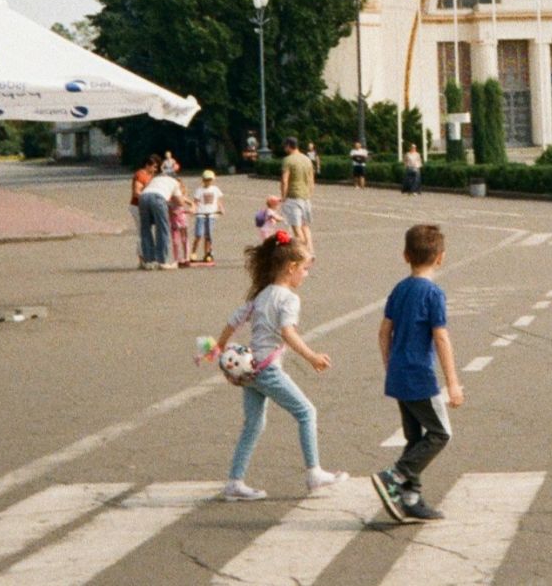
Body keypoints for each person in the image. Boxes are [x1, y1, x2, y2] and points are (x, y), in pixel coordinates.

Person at [212, 230, 346, 501]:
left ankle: (235, 482)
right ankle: (314, 473)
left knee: (254, 424)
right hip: (267, 370)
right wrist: (312, 357)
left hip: (251, 369)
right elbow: (288, 332)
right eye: (305, 269)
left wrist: (220, 352)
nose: (306, 275)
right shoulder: (288, 299)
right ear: (291, 268)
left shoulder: (261, 295)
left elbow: (234, 320)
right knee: (306, 412)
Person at [372, 224, 464, 522]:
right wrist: (453, 384)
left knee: (414, 438)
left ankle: (411, 498)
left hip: (399, 374)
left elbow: (384, 332)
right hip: (421, 376)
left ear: (405, 255)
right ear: (441, 258)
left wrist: (390, 365)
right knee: (440, 433)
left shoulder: (399, 289)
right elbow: (441, 338)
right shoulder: (433, 293)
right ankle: (395, 476)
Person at [279, 137, 317, 253]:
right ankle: (310, 250)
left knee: (296, 227)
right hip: (306, 197)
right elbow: (311, 179)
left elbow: (285, 180)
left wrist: (284, 196)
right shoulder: (307, 159)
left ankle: (302, 253)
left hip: (293, 196)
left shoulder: (288, 160)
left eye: (285, 146)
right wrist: (310, 192)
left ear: (289, 146)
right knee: (305, 226)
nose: (285, 149)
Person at [138, 167, 179, 270]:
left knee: (145, 229)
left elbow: (147, 190)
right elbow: (179, 201)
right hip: (158, 198)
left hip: (143, 197)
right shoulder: (174, 182)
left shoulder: (155, 179)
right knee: (162, 229)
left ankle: (149, 260)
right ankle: (162, 261)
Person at [130, 155, 161, 269]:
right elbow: (136, 192)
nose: (155, 169)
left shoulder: (150, 175)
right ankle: (143, 259)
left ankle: (148, 257)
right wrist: (148, 198)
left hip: (147, 206)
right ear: (147, 165)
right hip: (137, 206)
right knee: (142, 232)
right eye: (154, 167)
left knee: (146, 231)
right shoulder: (140, 175)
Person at [193, 169, 223, 264]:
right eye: (206, 180)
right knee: (199, 234)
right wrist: (193, 209)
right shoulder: (199, 190)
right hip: (201, 214)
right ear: (203, 180)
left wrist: (221, 208)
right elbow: (196, 202)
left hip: (211, 214)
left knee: (208, 236)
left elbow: (218, 201)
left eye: (210, 180)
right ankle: (193, 252)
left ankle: (207, 253)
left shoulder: (215, 189)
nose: (208, 181)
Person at [169, 179, 193, 268]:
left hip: (182, 219)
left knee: (184, 239)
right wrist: (171, 212)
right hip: (173, 220)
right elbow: (167, 208)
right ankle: (177, 259)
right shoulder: (169, 197)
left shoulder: (182, 197)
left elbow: (192, 204)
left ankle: (186, 258)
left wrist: (192, 209)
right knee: (175, 241)